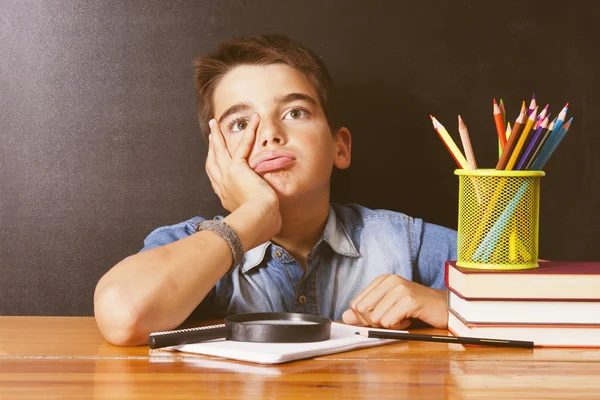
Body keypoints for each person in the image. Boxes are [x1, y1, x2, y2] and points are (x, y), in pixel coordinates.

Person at [94, 34, 457, 346]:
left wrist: (448, 304)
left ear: (340, 148)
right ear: (216, 156)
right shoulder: (187, 245)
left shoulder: (403, 242)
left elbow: (513, 293)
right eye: (240, 123)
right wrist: (251, 216)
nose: (269, 134)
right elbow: (123, 315)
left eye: (295, 113)